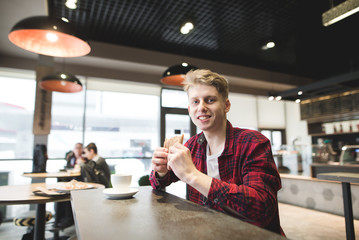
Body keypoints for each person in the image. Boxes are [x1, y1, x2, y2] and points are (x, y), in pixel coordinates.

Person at [150, 69, 284, 235]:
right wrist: (161, 172)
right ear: (189, 109)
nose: (202, 107)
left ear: (226, 105)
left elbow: (262, 208)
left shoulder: (253, 142)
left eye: (210, 100)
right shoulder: (192, 146)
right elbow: (158, 183)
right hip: (207, 232)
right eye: (195, 102)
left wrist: (192, 175)